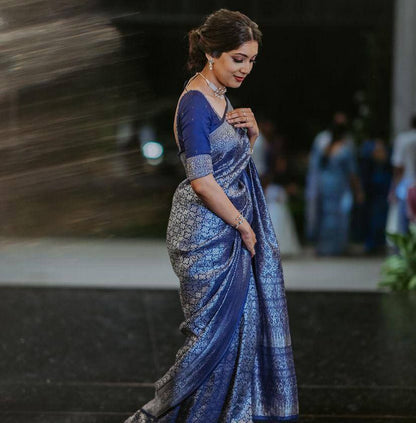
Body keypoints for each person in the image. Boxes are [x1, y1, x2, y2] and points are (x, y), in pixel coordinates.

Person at [123, 9, 299, 423]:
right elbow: (202, 181)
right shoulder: (195, 104)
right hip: (203, 230)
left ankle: (228, 414)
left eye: (252, 60)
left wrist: (252, 137)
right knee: (209, 337)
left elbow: (229, 168)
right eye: (238, 58)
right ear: (212, 52)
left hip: (226, 223)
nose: (246, 68)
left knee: (239, 328)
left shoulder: (221, 96)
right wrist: (243, 225)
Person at [306, 122, 364, 255]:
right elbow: (352, 173)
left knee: (326, 215)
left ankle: (324, 246)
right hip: (339, 186)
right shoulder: (345, 150)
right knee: (340, 216)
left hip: (325, 185)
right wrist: (358, 191)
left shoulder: (326, 149)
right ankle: (336, 247)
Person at [390, 114, 416, 234]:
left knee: (403, 226)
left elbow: (399, 166)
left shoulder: (403, 139)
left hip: (407, 185)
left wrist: (394, 187)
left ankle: (404, 251)